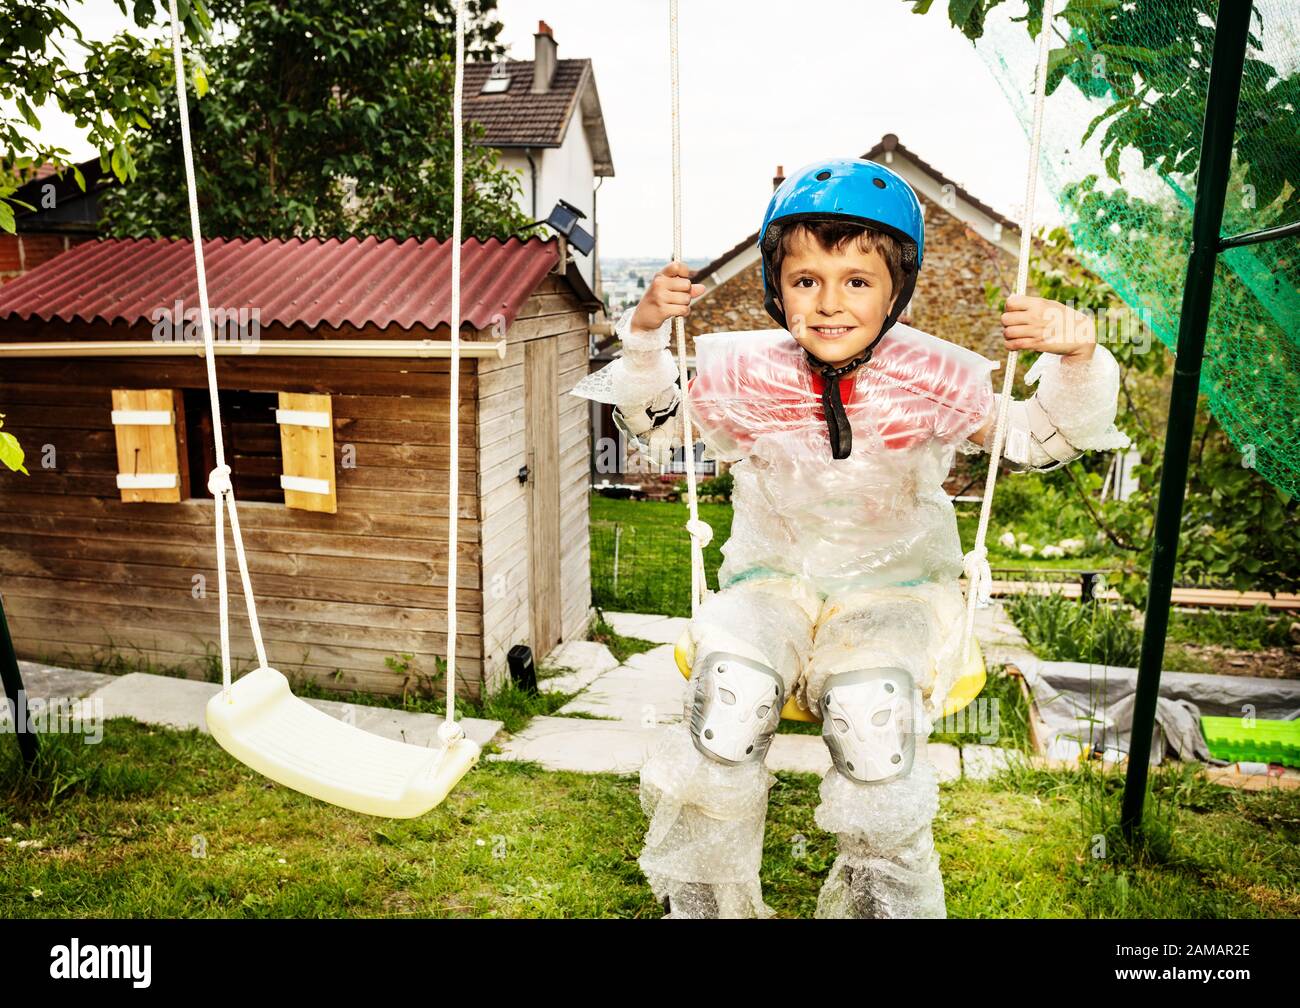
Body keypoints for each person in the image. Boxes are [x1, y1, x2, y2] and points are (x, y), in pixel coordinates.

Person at [570, 158, 1129, 918]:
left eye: (857, 282)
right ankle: (705, 906)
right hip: (771, 585)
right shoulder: (746, 375)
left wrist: (1078, 356)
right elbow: (660, 431)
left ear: (896, 291)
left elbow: (1042, 437)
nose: (830, 304)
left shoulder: (934, 377)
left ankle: (883, 909)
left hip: (892, 594)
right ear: (777, 289)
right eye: (806, 281)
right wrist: (642, 340)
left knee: (873, 721)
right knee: (728, 700)